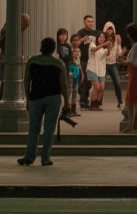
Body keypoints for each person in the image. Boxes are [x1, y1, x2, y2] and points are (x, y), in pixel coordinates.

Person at [19, 36, 67, 166]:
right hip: (53, 97)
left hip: (36, 97)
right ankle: (45, 157)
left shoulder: (32, 61)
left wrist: (28, 99)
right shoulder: (58, 63)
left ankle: (29, 156)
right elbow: (63, 85)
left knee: (33, 128)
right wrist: (67, 102)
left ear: (41, 47)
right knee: (49, 128)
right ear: (53, 49)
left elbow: (27, 81)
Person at [76, 15, 99, 109]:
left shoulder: (95, 33)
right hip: (83, 60)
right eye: (89, 21)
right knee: (83, 81)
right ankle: (82, 101)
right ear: (84, 22)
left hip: (92, 61)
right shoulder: (80, 32)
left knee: (89, 82)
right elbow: (75, 43)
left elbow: (101, 41)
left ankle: (87, 99)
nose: (91, 23)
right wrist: (82, 39)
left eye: (92, 21)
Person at [102, 21, 124, 109]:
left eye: (111, 29)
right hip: (103, 63)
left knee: (117, 83)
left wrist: (123, 53)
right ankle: (98, 102)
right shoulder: (102, 38)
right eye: (108, 29)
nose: (109, 31)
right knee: (101, 84)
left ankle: (120, 102)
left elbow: (119, 52)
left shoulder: (117, 40)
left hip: (113, 63)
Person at [87, 33, 110, 110]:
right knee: (96, 87)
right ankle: (92, 105)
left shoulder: (104, 49)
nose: (102, 38)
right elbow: (94, 49)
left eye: (103, 37)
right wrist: (103, 44)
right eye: (100, 37)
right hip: (92, 69)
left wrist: (109, 46)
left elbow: (108, 53)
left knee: (102, 88)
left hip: (101, 70)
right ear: (97, 38)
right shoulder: (92, 44)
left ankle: (97, 104)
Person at [55, 28, 74, 118]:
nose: (63, 37)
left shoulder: (68, 46)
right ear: (58, 36)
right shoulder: (56, 46)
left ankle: (67, 108)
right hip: (58, 68)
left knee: (66, 88)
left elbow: (70, 58)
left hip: (66, 68)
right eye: (61, 35)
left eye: (65, 35)